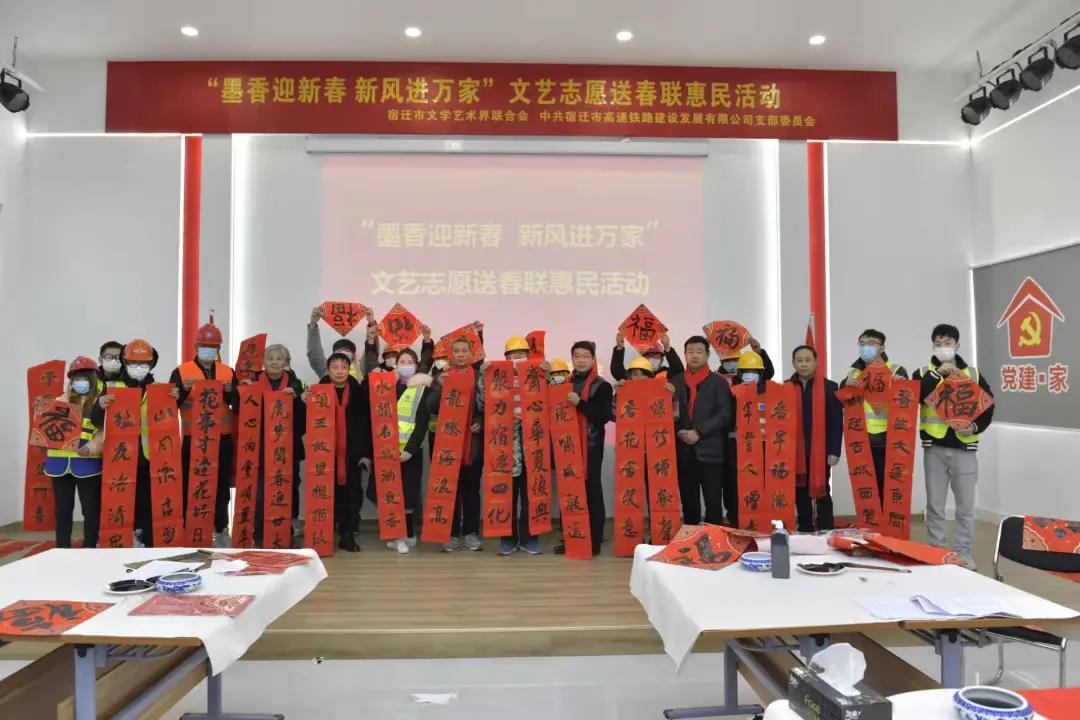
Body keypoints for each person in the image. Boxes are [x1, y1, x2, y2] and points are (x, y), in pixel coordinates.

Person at [915, 324, 994, 570]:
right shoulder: (923, 373)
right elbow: (914, 396)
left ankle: (963, 552)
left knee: (965, 506)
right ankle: (937, 550)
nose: (943, 347)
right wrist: (938, 374)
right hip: (934, 447)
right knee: (935, 505)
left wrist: (975, 427)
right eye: (938, 343)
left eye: (948, 343)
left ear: (957, 345)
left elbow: (988, 405)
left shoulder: (972, 373)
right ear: (932, 346)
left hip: (965, 448)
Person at [169, 318, 239, 548]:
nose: (208, 350)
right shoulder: (181, 372)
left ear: (219, 348)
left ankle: (221, 529)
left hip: (222, 439)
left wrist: (231, 392)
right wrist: (182, 390)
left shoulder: (228, 372)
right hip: (194, 439)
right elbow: (169, 405)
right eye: (204, 346)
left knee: (221, 487)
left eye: (212, 346)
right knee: (192, 485)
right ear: (196, 346)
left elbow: (239, 405)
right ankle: (192, 529)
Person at [370, 348, 432, 554]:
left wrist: (410, 450)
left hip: (409, 453)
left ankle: (406, 534)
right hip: (386, 452)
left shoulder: (422, 389)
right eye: (402, 362)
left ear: (416, 365)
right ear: (395, 365)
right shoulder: (386, 386)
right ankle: (397, 535)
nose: (405, 365)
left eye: (409, 362)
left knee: (408, 494)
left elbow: (422, 423)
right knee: (388, 493)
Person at [554, 341, 612, 556]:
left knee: (591, 490)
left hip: (591, 446)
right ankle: (571, 538)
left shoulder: (602, 386)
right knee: (569, 490)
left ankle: (594, 540)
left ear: (593, 359)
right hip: (567, 445)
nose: (581, 360)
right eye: (577, 356)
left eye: (585, 356)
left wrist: (580, 403)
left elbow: (604, 416)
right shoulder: (564, 383)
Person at [428, 335, 485, 552]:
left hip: (472, 445)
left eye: (464, 351)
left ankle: (471, 533)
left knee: (471, 490)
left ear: (472, 354)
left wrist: (481, 422)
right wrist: (439, 387)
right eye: (457, 351)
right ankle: (450, 534)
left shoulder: (480, 378)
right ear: (451, 355)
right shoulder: (441, 376)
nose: (460, 355)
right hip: (447, 444)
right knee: (448, 490)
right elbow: (430, 407)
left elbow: (491, 406)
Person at [44, 356, 105, 549]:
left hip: (87, 464)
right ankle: (62, 547)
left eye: (85, 378)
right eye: (76, 378)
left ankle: (90, 547)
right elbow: (45, 430)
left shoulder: (99, 403)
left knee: (90, 509)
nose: (80, 382)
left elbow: (103, 432)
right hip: (58, 465)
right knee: (62, 509)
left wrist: (92, 447)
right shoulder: (57, 402)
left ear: (93, 379)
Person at [840, 329, 908, 499]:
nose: (865, 347)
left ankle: (886, 518)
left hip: (889, 438)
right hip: (861, 438)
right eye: (862, 344)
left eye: (871, 343)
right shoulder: (854, 372)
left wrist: (898, 385)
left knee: (888, 486)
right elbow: (842, 400)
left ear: (882, 348)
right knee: (866, 488)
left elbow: (906, 403)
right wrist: (845, 384)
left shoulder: (896, 370)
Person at [671, 336, 732, 526]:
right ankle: (690, 539)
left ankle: (715, 540)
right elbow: (667, 413)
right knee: (689, 503)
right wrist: (679, 431)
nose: (694, 355)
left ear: (707, 355)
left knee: (713, 502)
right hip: (683, 451)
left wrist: (698, 432)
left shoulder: (719, 383)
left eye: (699, 351)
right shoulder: (674, 382)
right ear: (685, 354)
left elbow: (724, 414)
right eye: (690, 351)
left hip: (710, 451)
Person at [250, 344, 306, 547]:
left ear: (286, 363)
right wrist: (243, 392)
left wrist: (297, 400)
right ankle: (259, 530)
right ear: (264, 362)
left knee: (288, 487)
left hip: (287, 447)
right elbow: (242, 411)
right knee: (259, 490)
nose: (274, 362)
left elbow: (303, 420)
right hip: (260, 447)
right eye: (270, 358)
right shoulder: (254, 380)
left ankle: (285, 530)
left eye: (279, 359)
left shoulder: (295, 383)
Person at [316, 352, 371, 552]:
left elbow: (366, 424)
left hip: (353, 455)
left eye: (343, 368)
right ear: (328, 370)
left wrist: (366, 454)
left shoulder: (357, 392)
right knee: (328, 494)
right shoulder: (319, 392)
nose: (339, 371)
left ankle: (347, 534)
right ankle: (324, 534)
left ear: (349, 370)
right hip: (325, 454)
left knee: (352, 494)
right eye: (335, 367)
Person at [788, 345, 843, 532]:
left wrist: (834, 450)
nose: (803, 364)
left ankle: (826, 530)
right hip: (795, 452)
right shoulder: (785, 387)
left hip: (821, 451)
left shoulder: (830, 388)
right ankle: (805, 529)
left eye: (807, 360)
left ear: (816, 362)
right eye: (799, 360)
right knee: (800, 492)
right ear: (793, 363)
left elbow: (836, 422)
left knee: (822, 491)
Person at [496, 336, 540, 556]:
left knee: (532, 493)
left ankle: (530, 537)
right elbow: (484, 404)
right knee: (508, 495)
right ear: (506, 358)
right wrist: (484, 375)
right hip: (506, 446)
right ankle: (508, 538)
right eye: (514, 355)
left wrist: (548, 373)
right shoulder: (497, 378)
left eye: (522, 354)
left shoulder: (538, 377)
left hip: (533, 442)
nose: (518, 358)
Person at [118, 339, 159, 548]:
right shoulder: (114, 387)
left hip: (149, 457)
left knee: (148, 502)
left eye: (143, 363)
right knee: (124, 501)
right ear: (125, 362)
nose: (139, 367)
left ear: (151, 364)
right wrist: (100, 404)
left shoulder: (158, 389)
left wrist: (176, 396)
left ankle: (149, 542)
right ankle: (128, 538)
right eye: (134, 362)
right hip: (121, 457)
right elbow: (97, 418)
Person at [307, 304, 375, 379]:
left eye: (347, 352)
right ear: (333, 356)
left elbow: (370, 355)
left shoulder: (361, 369)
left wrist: (371, 324)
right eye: (339, 353)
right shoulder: (327, 370)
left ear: (353, 356)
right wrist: (313, 325)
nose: (343, 357)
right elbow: (315, 355)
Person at [610, 333, 684, 382]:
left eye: (656, 357)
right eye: (649, 356)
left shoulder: (666, 374)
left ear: (661, 360)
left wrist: (667, 348)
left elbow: (679, 371)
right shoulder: (636, 373)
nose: (653, 359)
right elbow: (617, 372)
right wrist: (619, 348)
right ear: (643, 359)